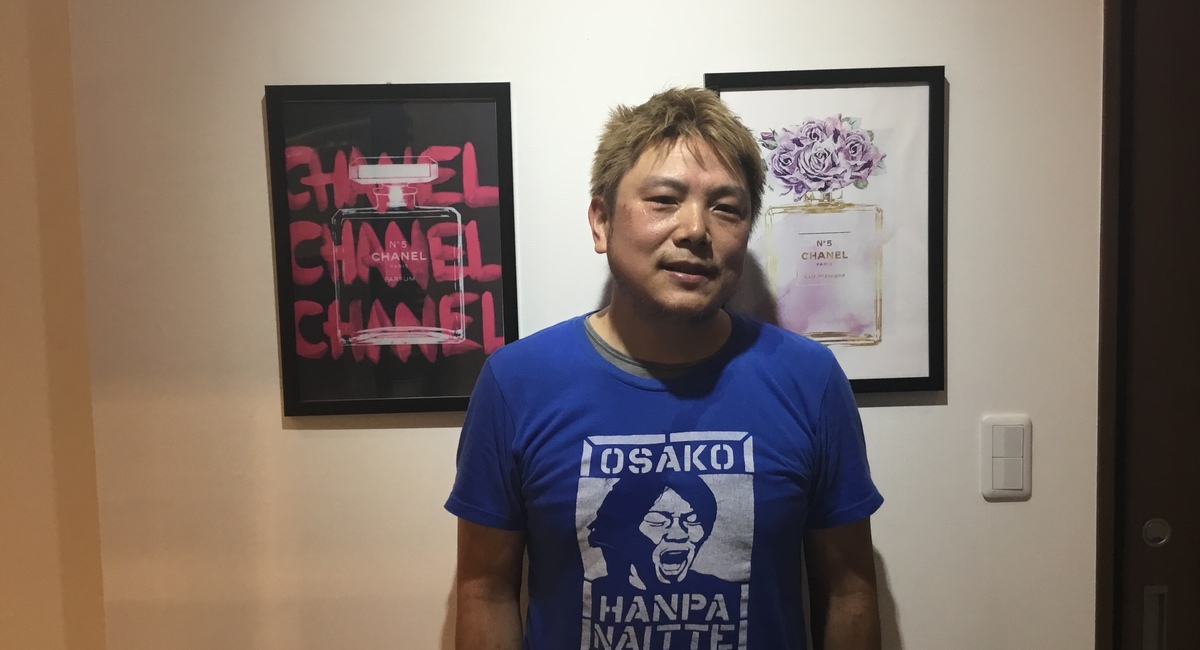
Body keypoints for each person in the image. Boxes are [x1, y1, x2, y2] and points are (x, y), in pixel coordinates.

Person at [446, 87, 883, 650]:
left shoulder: (809, 379)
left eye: (726, 208)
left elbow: (848, 589)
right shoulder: (516, 383)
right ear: (601, 221)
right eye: (663, 199)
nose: (696, 229)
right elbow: (484, 590)